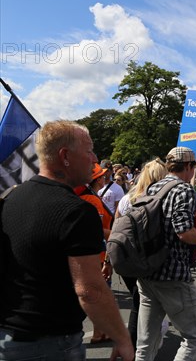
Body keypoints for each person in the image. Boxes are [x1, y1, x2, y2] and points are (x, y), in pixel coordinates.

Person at [0, 120, 133, 361]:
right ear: (65, 156)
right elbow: (90, 290)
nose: (94, 159)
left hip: (9, 337)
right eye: (89, 150)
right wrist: (122, 337)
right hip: (49, 342)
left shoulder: (12, 198)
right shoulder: (77, 211)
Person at [135, 147, 196, 361]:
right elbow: (183, 231)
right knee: (194, 337)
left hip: (147, 272)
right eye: (193, 166)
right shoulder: (183, 190)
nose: (194, 171)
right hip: (173, 274)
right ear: (188, 166)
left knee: (145, 343)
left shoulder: (152, 187)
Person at [114, 158, 168, 350]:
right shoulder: (158, 200)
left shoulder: (127, 198)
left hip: (124, 258)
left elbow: (116, 227)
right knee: (144, 304)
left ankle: (136, 345)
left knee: (139, 302)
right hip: (147, 260)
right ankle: (138, 346)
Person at [74, 162, 115, 344]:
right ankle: (99, 332)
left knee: (98, 295)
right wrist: (118, 235)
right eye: (102, 175)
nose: (105, 177)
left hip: (90, 252)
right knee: (97, 296)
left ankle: (100, 331)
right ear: (97, 180)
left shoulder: (87, 197)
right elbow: (97, 228)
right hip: (96, 254)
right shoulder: (92, 200)